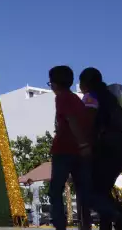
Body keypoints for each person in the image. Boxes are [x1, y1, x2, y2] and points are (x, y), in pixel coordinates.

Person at [79, 67, 122, 230]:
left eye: (81, 82)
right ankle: (117, 220)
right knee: (104, 192)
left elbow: (88, 123)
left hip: (104, 151)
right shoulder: (110, 99)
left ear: (86, 83)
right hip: (120, 152)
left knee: (91, 194)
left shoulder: (91, 98)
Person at [47, 66, 94, 230]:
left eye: (50, 83)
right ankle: (85, 225)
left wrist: (81, 143)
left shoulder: (61, 98)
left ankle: (60, 226)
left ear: (55, 84)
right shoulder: (76, 98)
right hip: (79, 152)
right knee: (82, 192)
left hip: (64, 150)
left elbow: (71, 119)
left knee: (55, 191)